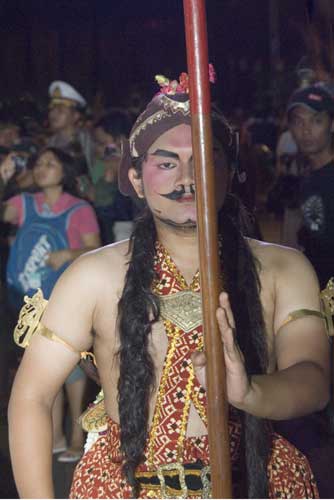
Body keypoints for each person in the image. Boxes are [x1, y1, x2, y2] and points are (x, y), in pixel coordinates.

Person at [8, 73, 330, 499]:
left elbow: (313, 381)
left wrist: (250, 392)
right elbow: (32, 395)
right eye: (166, 163)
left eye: (203, 159)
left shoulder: (282, 267)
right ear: (137, 179)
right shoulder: (94, 275)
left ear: (229, 172)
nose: (187, 177)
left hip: (255, 482)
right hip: (122, 486)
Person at [1, 147, 101, 463]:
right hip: (27, 301)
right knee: (41, 367)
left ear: (65, 171)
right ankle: (56, 435)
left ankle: (75, 435)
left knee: (69, 366)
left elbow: (95, 249)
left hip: (65, 299)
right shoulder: (23, 203)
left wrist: (67, 255)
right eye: (38, 163)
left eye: (50, 163)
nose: (42, 168)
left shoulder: (79, 208)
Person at [288, 83, 334, 288]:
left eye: (316, 121)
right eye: (299, 122)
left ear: (331, 124)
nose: (306, 130)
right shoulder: (304, 176)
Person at [91, 109, 135, 244]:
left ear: (121, 141)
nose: (97, 150)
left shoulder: (138, 170)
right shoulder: (101, 166)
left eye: (101, 143)